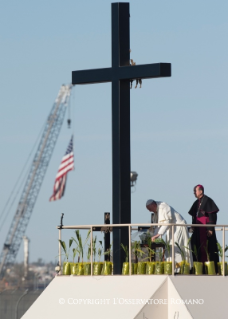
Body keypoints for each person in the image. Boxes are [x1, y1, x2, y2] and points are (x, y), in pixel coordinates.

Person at [146, 200, 192, 267]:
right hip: (171, 229)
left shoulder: (164, 207)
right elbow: (159, 226)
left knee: (177, 248)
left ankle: (180, 268)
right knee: (170, 248)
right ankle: (172, 267)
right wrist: (153, 235)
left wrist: (158, 235)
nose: (150, 211)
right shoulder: (157, 210)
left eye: (150, 209)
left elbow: (167, 222)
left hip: (178, 228)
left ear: (153, 205)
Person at [188, 184, 219, 273]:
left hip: (206, 229)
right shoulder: (196, 203)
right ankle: (198, 268)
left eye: (195, 191)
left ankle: (209, 269)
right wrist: (193, 225)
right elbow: (195, 216)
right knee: (196, 246)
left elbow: (212, 216)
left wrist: (210, 228)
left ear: (201, 191)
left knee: (209, 248)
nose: (194, 193)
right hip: (198, 230)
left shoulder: (208, 201)